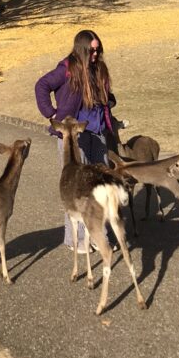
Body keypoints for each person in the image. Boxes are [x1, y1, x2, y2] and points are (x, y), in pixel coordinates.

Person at [34, 29, 118, 252]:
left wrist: (108, 103)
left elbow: (105, 95)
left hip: (97, 132)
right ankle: (75, 239)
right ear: (82, 48)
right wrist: (50, 112)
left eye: (98, 49)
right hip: (74, 136)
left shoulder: (98, 68)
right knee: (76, 188)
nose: (96, 53)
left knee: (100, 185)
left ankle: (98, 236)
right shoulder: (67, 69)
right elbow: (41, 85)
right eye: (92, 50)